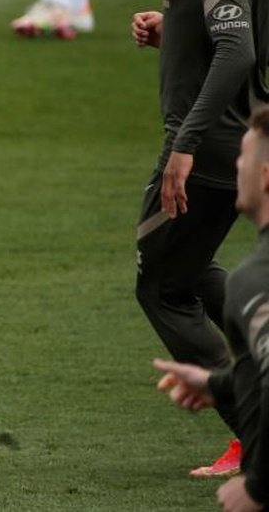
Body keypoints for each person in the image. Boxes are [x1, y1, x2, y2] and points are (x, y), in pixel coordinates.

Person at [131, 0, 269, 479]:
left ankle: (255, 429)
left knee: (162, 285)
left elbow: (237, 49)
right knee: (188, 270)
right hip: (237, 140)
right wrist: (177, 28)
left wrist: (183, 146)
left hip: (206, 144)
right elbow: (237, 33)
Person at [154, 105, 269, 512]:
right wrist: (214, 383)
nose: (232, 165)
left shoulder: (256, 281)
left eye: (241, 157)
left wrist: (259, 488)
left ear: (265, 176)